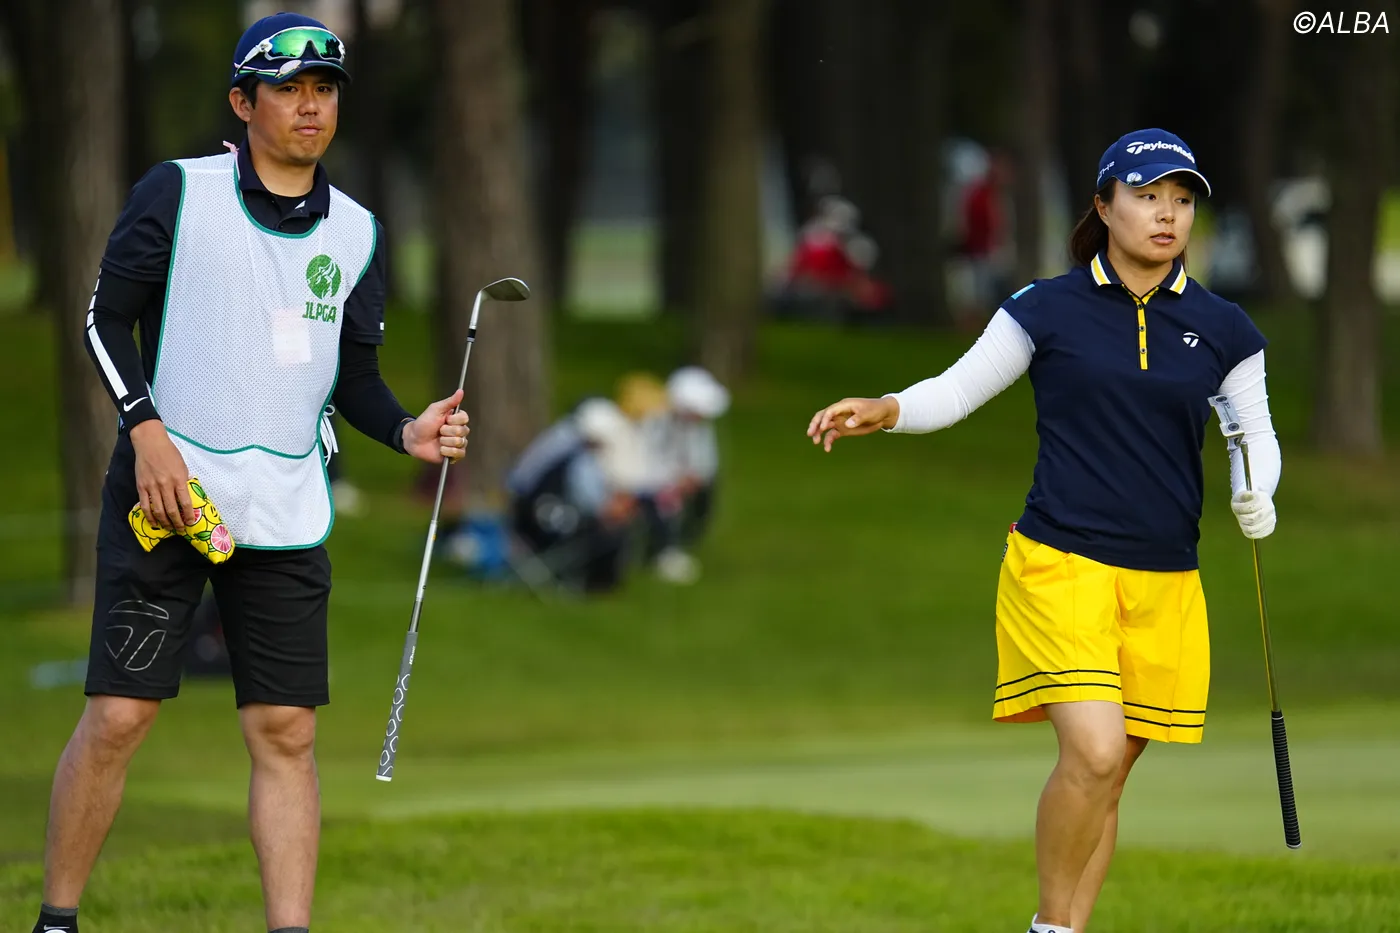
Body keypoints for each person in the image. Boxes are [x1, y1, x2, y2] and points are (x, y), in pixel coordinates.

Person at [37, 14, 470, 933]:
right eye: (288, 89)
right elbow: (104, 321)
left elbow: (352, 376)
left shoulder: (358, 233)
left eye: (325, 90)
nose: (311, 106)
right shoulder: (177, 192)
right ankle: (56, 922)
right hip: (165, 495)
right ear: (243, 102)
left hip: (284, 508)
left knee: (286, 731)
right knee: (120, 716)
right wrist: (144, 429)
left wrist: (407, 431)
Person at [806, 129, 1281, 933]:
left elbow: (1254, 435)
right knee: (1093, 751)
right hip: (1060, 564)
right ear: (1103, 205)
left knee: (1108, 777)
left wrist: (1256, 489)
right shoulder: (1045, 307)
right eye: (1146, 196)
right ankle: (1050, 928)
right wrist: (886, 408)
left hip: (1166, 579)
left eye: (1180, 199)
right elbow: (957, 390)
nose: (1166, 214)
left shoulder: (1224, 326)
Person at [506, 397, 639, 594]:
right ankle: (594, 585)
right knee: (606, 533)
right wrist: (610, 509)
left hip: (533, 512)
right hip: (539, 519)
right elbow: (590, 499)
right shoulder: (572, 451)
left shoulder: (560, 439)